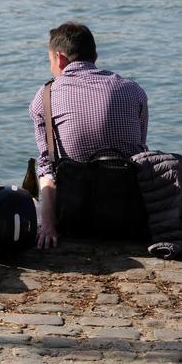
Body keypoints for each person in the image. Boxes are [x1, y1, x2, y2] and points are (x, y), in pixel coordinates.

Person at [29, 21, 148, 249]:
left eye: (50, 61)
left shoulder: (45, 96)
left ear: (60, 58)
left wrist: (48, 227)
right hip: (128, 215)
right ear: (94, 55)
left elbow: (47, 168)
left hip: (74, 220)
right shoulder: (134, 91)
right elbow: (140, 151)